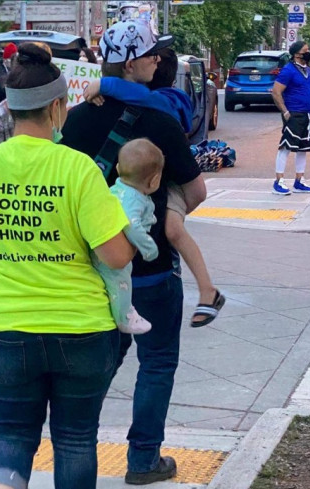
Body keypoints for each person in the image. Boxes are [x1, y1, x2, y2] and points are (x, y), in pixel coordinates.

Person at [0, 42, 134, 489]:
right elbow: (117, 255)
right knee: (76, 439)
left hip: (7, 329)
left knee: (11, 433)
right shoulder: (79, 169)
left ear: (11, 107)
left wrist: (0, 255)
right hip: (80, 328)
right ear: (58, 107)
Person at [62, 19, 207, 485]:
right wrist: (172, 214)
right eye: (151, 55)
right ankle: (143, 460)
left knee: (103, 359)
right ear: (131, 62)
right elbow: (197, 189)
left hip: (97, 267)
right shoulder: (161, 119)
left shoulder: (78, 116)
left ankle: (74, 442)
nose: (158, 61)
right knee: (158, 361)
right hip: (151, 266)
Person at [84, 47, 225, 327]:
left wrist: (103, 84)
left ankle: (208, 290)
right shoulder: (168, 98)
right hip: (164, 179)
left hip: (168, 180)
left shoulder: (162, 101)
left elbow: (139, 96)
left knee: (173, 229)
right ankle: (208, 291)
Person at [93, 138, 164, 335]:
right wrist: (149, 248)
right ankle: (125, 316)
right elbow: (132, 224)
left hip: (99, 244)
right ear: (155, 180)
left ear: (117, 168)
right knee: (121, 281)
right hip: (112, 249)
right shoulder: (134, 199)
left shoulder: (117, 189)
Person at [272, 40, 310, 195]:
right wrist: (285, 111)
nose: (308, 52)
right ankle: (278, 181)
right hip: (293, 113)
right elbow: (276, 92)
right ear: (297, 53)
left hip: (307, 113)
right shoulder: (288, 70)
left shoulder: (307, 70)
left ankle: (299, 180)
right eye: (306, 50)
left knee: (303, 148)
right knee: (286, 146)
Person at [0, 42, 17, 109]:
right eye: (15, 58)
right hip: (0, 111)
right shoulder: (0, 74)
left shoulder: (8, 71)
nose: (17, 62)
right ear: (7, 60)